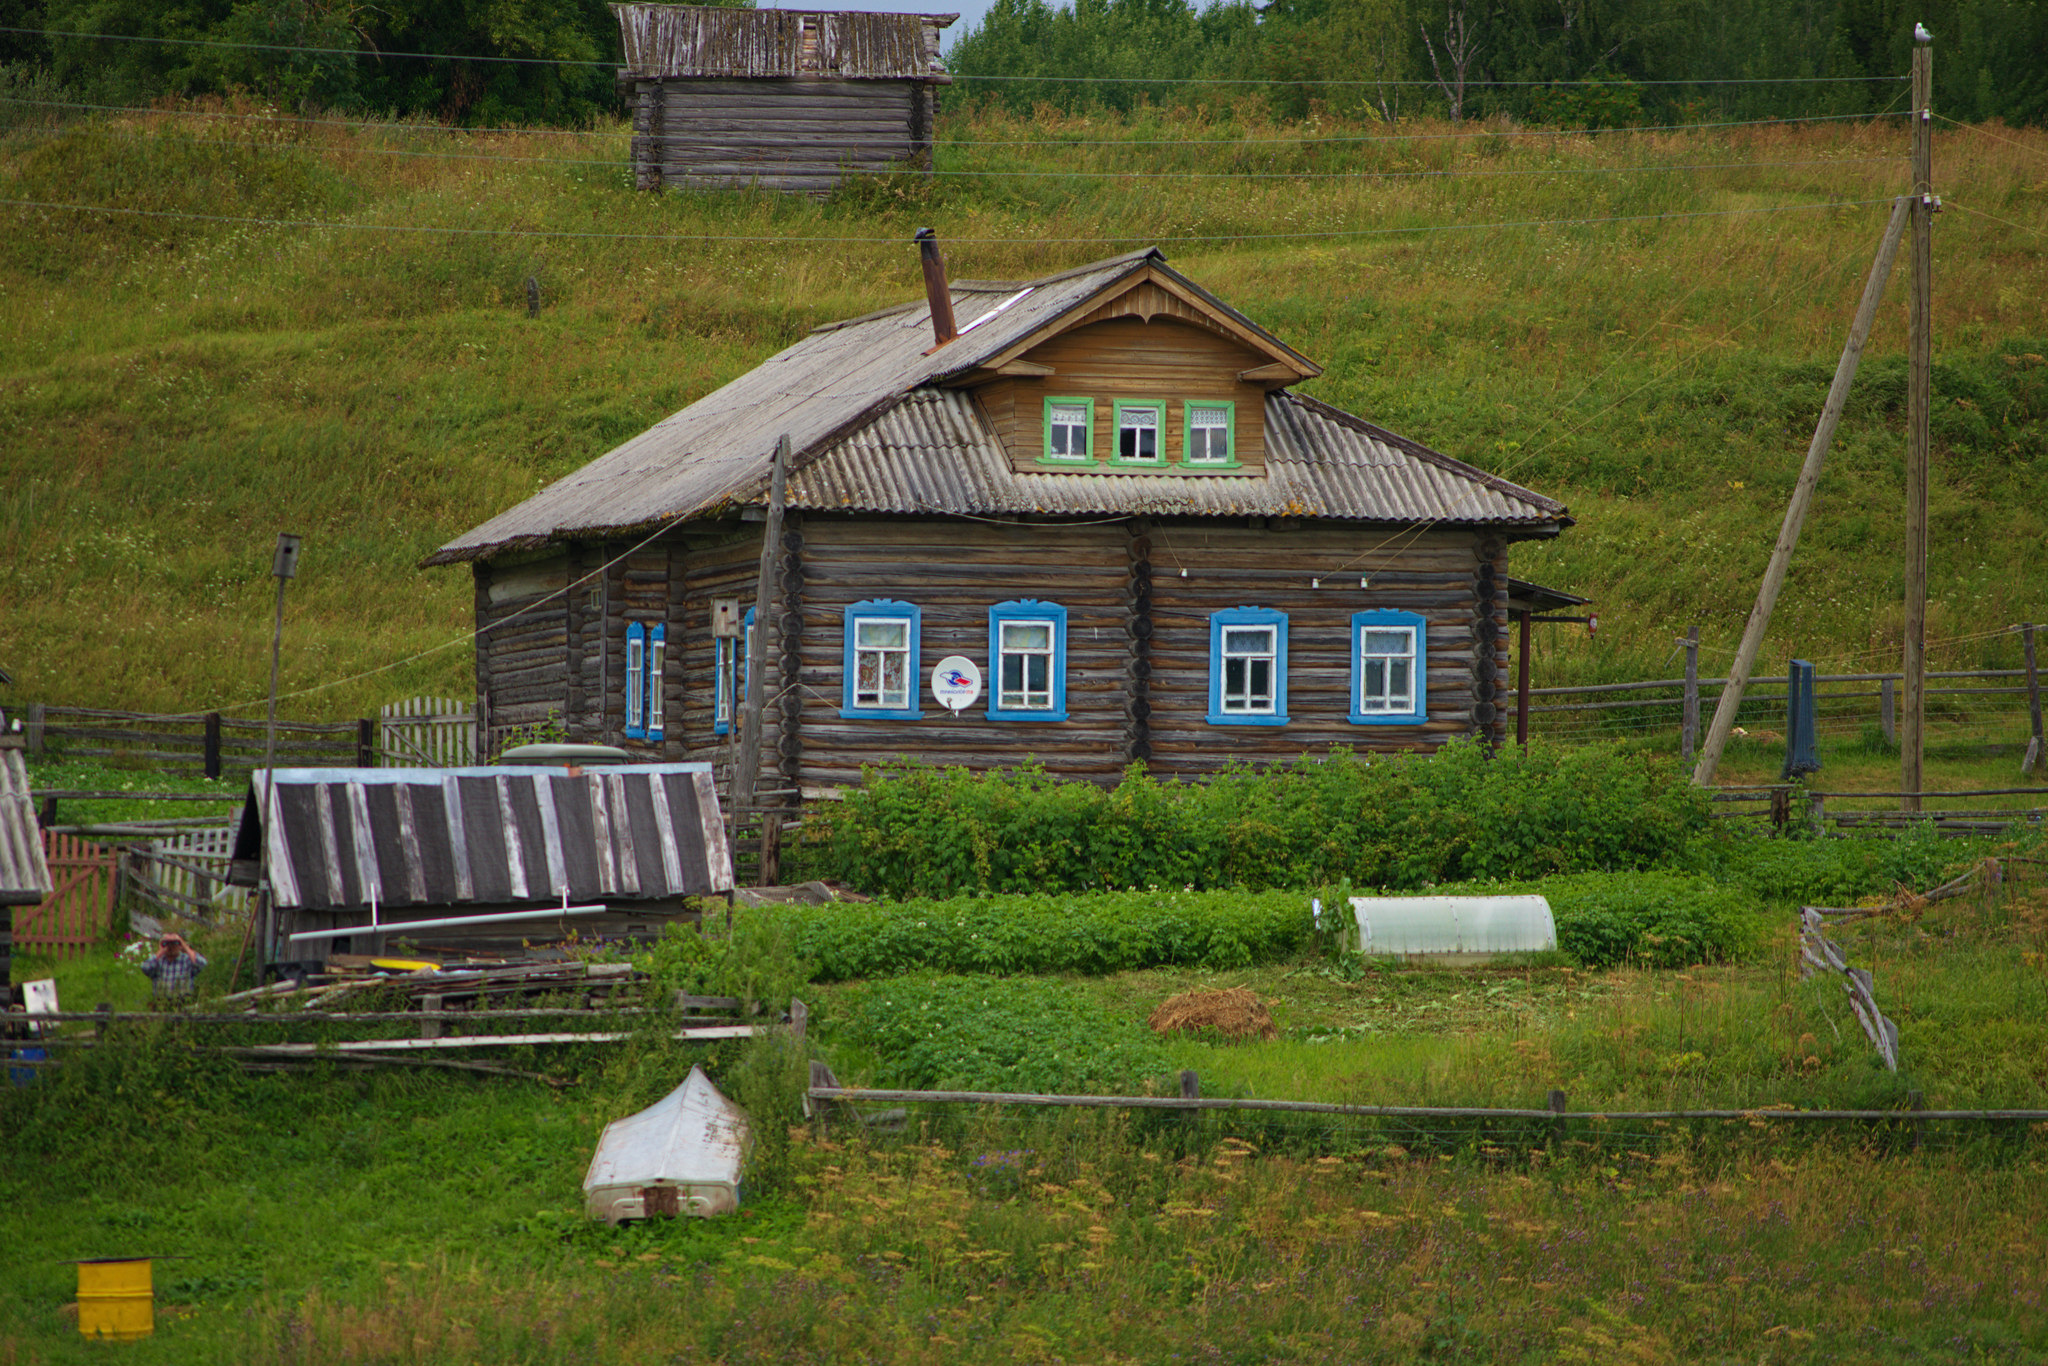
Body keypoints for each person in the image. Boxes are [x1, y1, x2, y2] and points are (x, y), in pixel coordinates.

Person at [141, 932, 207, 1000]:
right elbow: (145, 968)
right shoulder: (158, 962)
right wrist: (160, 951)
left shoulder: (186, 960)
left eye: (174, 943)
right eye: (168, 944)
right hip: (161, 1002)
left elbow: (202, 964)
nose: (171, 947)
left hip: (183, 1001)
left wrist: (185, 947)